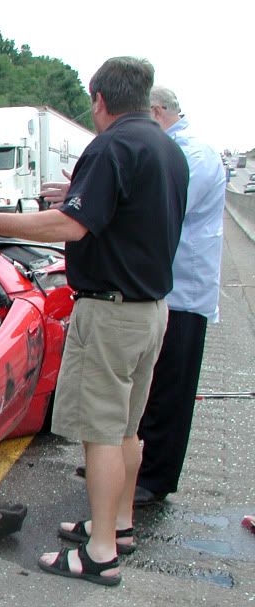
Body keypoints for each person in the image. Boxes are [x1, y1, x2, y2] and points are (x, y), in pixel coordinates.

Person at [0, 56, 189, 587]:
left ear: (99, 99)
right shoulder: (167, 149)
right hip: (151, 310)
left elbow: (70, 226)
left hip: (111, 313)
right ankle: (117, 526)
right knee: (128, 428)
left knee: (100, 434)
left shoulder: (112, 146)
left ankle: (98, 554)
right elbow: (120, 218)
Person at [132, 86, 226, 505]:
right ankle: (134, 463)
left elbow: (165, 205)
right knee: (150, 387)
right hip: (164, 289)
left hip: (185, 292)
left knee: (172, 390)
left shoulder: (196, 155)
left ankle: (155, 477)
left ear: (155, 112)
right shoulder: (175, 149)